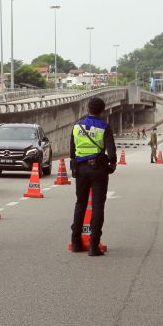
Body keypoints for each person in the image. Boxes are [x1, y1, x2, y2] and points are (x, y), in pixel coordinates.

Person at [69, 97, 117, 257]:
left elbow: (72, 151)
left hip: (81, 169)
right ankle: (93, 246)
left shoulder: (77, 126)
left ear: (88, 108)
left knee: (80, 204)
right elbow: (111, 152)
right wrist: (112, 165)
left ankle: (76, 243)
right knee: (97, 206)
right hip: (98, 169)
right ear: (102, 110)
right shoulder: (104, 127)